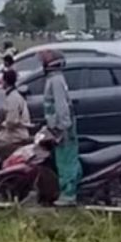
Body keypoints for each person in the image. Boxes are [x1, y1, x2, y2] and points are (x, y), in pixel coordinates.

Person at [41, 50, 81, 206]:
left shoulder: (56, 81)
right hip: (59, 127)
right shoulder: (55, 79)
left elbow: (61, 108)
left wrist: (60, 129)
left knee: (66, 161)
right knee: (65, 159)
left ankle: (69, 195)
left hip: (63, 129)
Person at [0, 70, 31, 164]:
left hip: (16, 134)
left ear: (5, 82)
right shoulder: (14, 95)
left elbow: (11, 122)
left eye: (2, 80)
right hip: (15, 131)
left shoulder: (13, 98)